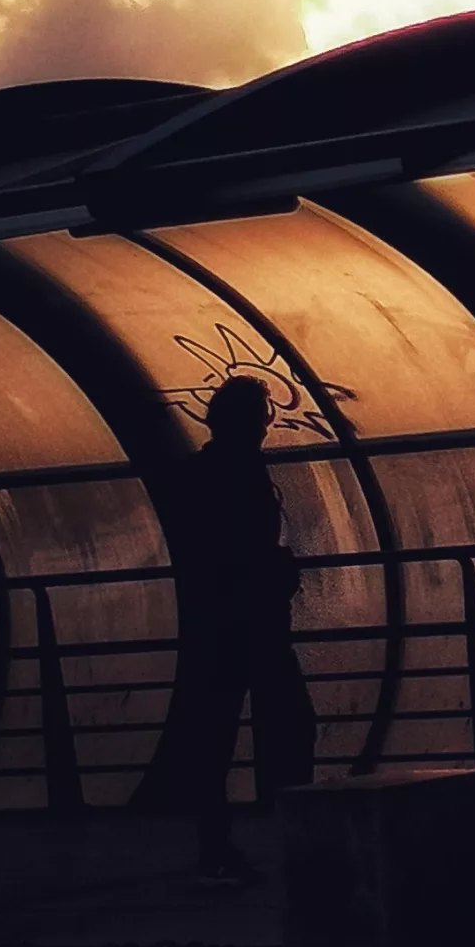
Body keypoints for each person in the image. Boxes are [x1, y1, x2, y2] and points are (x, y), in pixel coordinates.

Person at [170, 374, 316, 884]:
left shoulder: (203, 473)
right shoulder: (241, 473)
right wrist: (273, 571)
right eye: (261, 416)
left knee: (219, 732)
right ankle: (297, 836)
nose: (265, 427)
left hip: (222, 623)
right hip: (252, 622)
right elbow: (237, 548)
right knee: (290, 726)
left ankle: (218, 842)